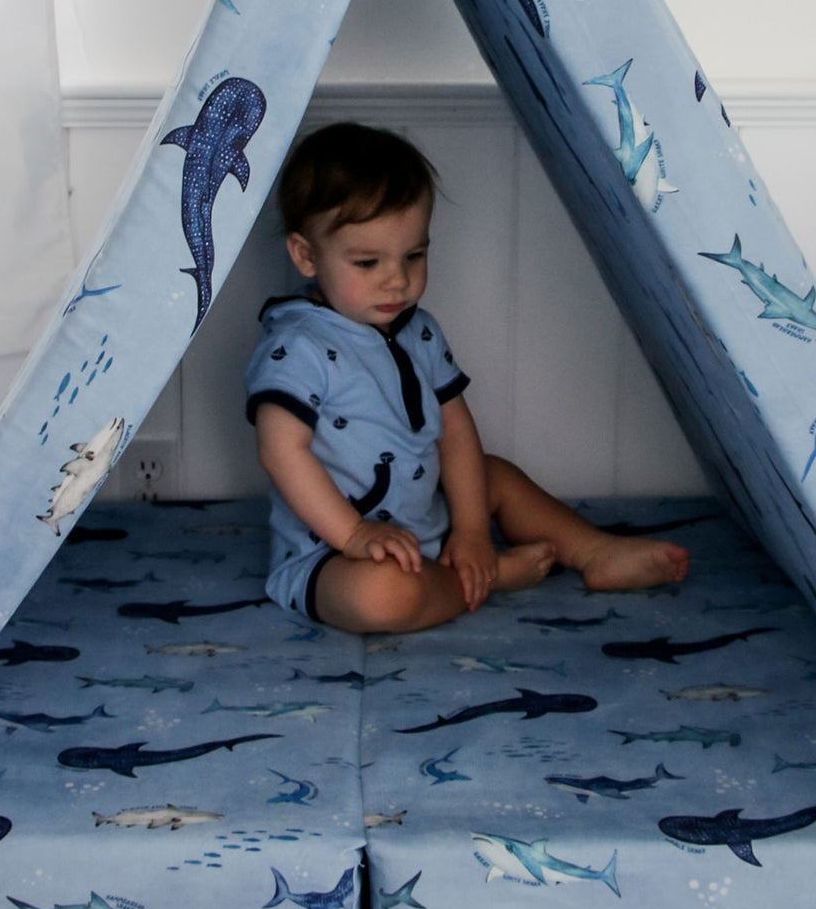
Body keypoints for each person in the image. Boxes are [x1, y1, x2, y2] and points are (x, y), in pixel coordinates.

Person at [245, 122, 690, 634]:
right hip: (332, 553)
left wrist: (474, 531)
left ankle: (594, 551)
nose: (398, 280)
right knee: (382, 597)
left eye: (414, 256)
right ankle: (481, 580)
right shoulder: (296, 345)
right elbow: (281, 451)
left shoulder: (419, 331)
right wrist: (353, 536)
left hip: (425, 519)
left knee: (493, 474)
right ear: (306, 256)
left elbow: (455, 429)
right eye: (368, 263)